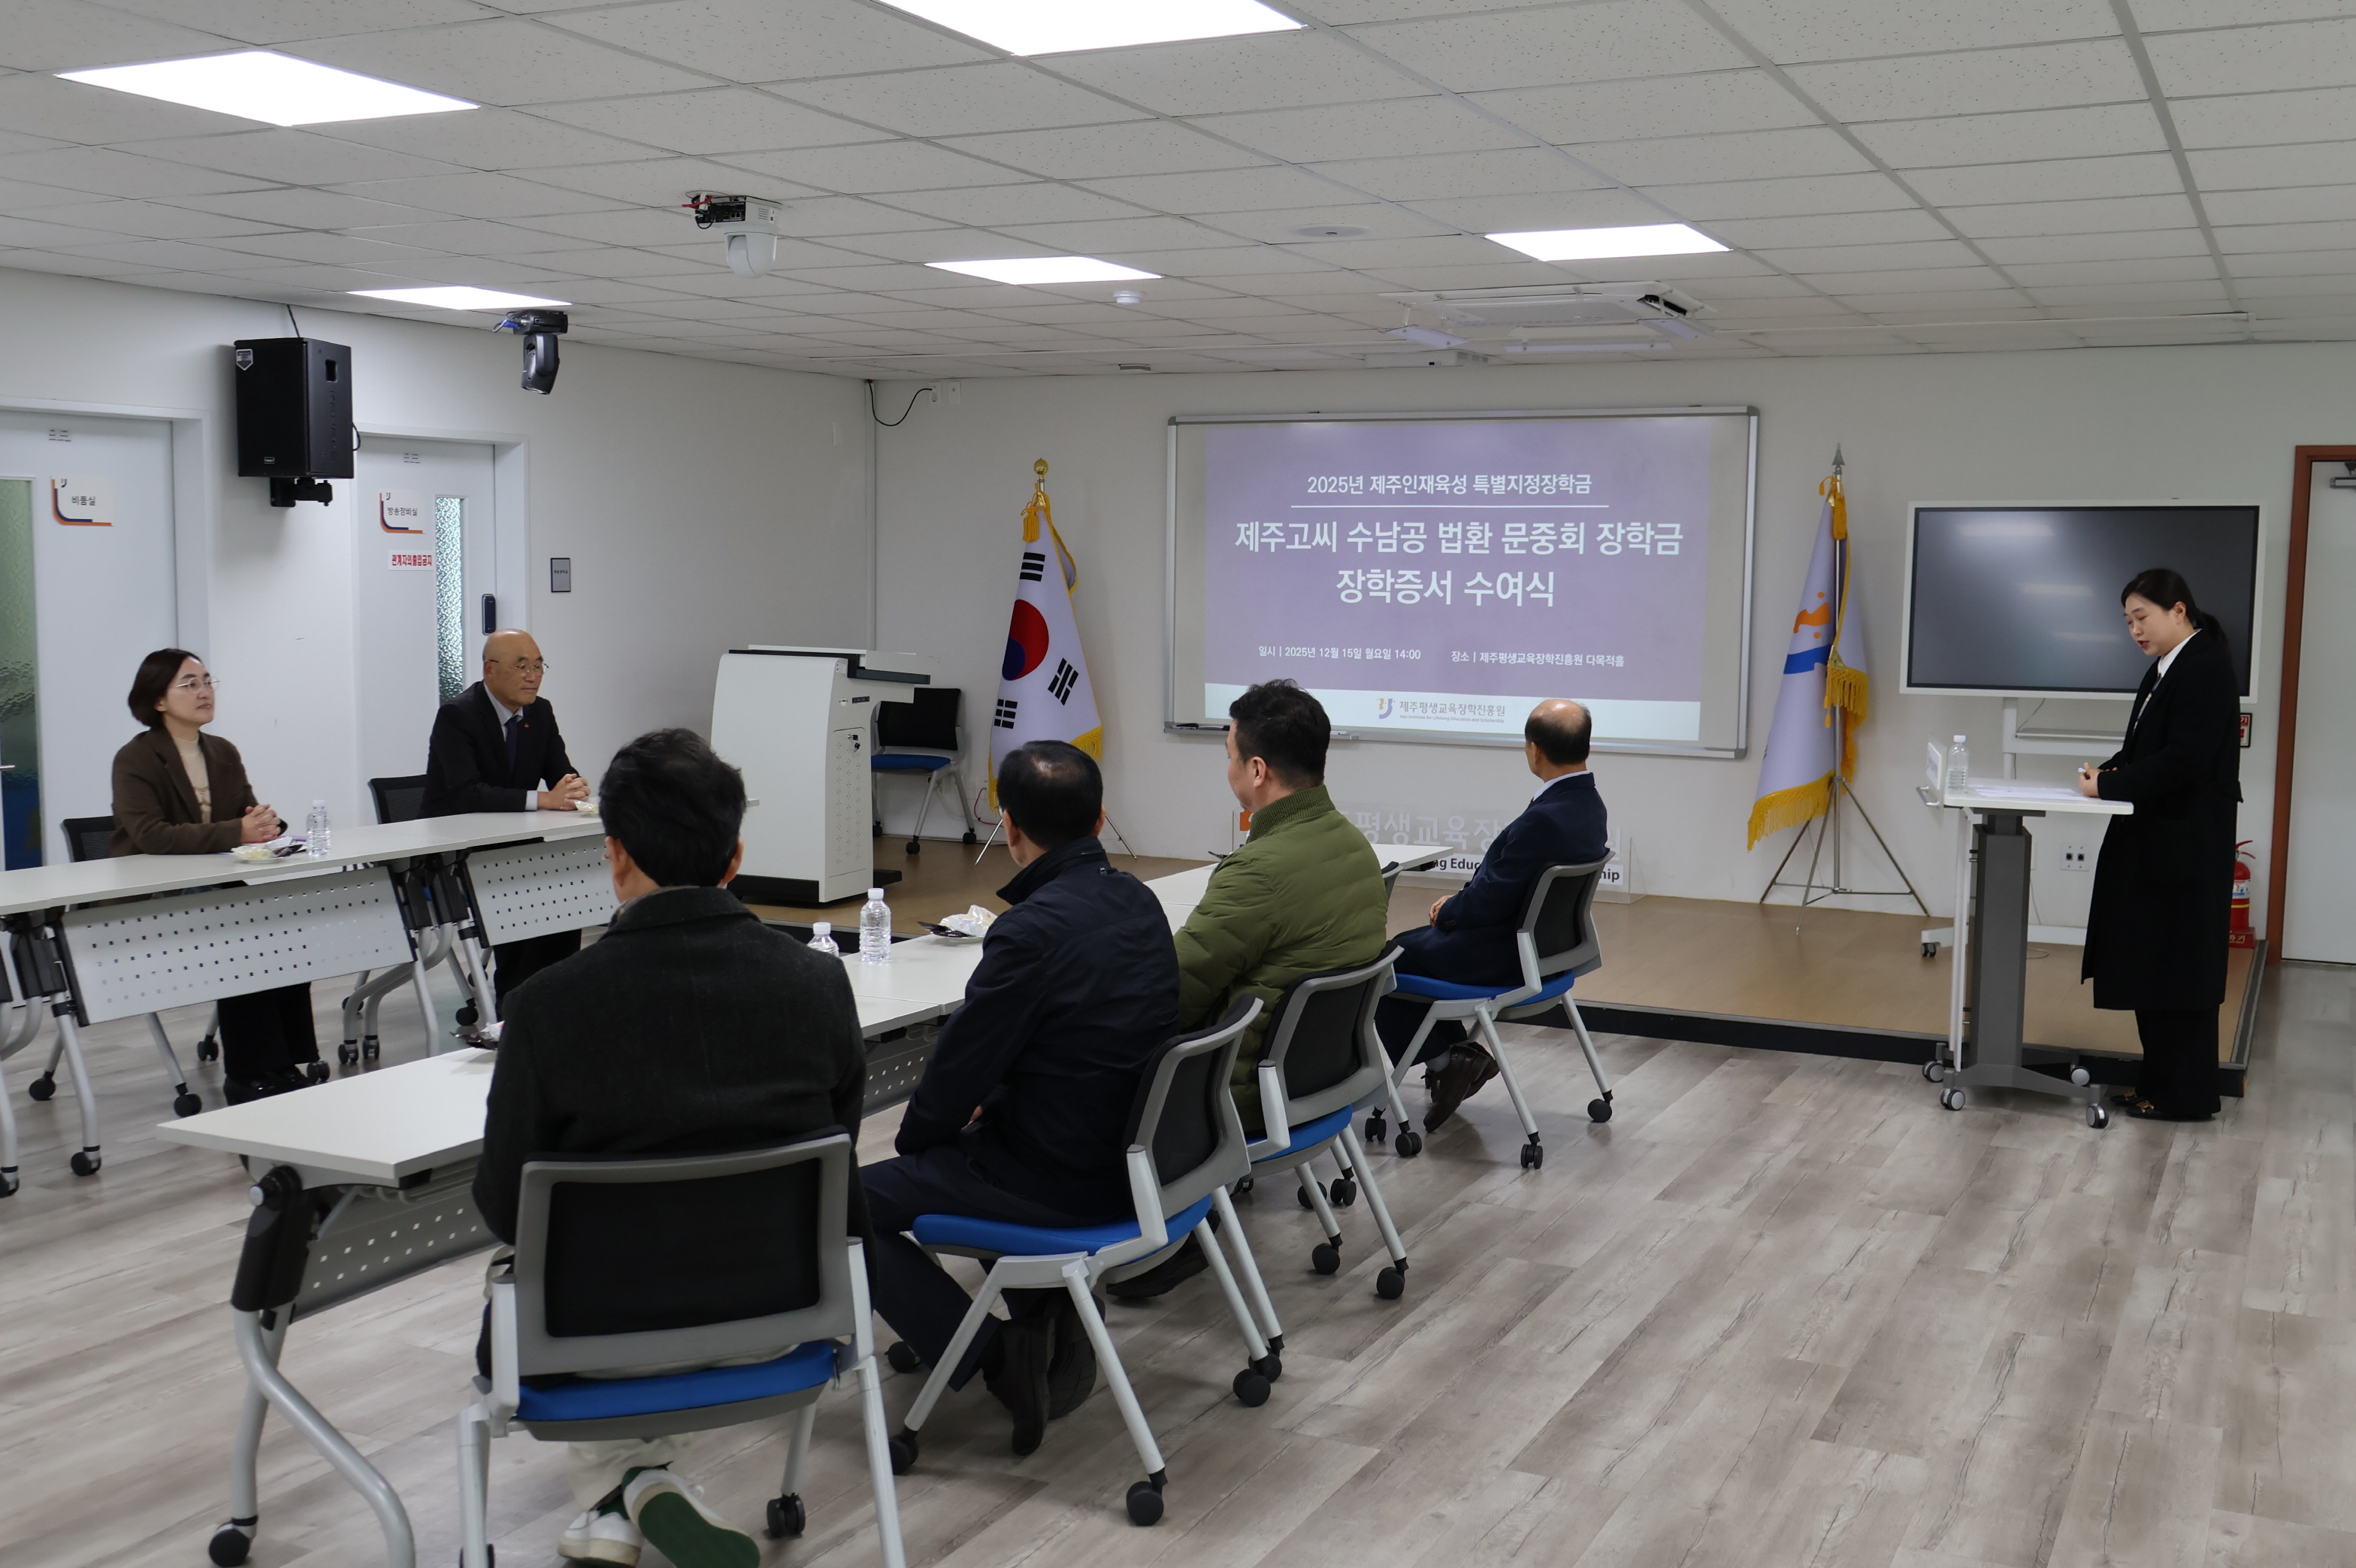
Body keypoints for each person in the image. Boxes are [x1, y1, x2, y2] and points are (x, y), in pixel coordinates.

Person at [473, 727, 867, 1568]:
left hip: (588, 1335)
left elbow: (505, 1208)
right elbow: (838, 1163)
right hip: (778, 1318)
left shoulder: (546, 1006)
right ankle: (637, 1491)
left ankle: (629, 1487)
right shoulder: (818, 983)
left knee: (536, 1281)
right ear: (736, 857)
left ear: (614, 854)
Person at [862, 741, 1177, 1456]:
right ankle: (1041, 1317)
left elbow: (953, 1078)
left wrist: (924, 1146)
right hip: (1136, 1163)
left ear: (1009, 827)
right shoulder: (1139, 899)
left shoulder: (1029, 932)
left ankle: (993, 1353)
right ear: (1099, 819)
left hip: (1058, 1181)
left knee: (836, 1206)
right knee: (965, 1145)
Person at [1117, 681, 1386, 1302]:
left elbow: (1171, 994)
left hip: (1237, 1092)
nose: (1229, 768)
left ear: (1257, 770)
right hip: (1318, 1079)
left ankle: (1163, 1234)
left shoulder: (1260, 870)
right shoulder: (1352, 844)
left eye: (1230, 755)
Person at [1377, 699, 1609, 1129]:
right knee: (1406, 952)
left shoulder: (1544, 819)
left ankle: (1447, 1062)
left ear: (1535, 750)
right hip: (1549, 952)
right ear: (1587, 747)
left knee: (1384, 962)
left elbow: (1490, 901)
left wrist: (1450, 910)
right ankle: (1460, 1058)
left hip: (1504, 956)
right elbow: (1510, 886)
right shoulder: (1589, 805)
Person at [109, 648, 319, 1104]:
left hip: (215, 886)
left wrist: (266, 824)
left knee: (286, 930)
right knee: (244, 935)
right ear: (158, 700)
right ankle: (247, 1072)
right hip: (157, 896)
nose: (204, 691)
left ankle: (285, 1062)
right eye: (189, 684)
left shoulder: (222, 752)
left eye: (207, 681)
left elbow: (245, 811)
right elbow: (151, 835)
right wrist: (236, 830)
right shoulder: (135, 758)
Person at [2076, 567, 2242, 1122]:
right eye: (2127, 621)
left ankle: (2184, 1097)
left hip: (2185, 845)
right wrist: (2110, 771)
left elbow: (2184, 760)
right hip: (2158, 841)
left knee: (2180, 971)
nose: (2134, 630)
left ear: (2178, 610)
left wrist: (2110, 786)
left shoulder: (2205, 667)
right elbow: (2145, 747)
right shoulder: (2166, 667)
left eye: (2141, 616)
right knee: (2154, 965)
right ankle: (2156, 1085)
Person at [423, 629, 591, 1003]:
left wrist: (574, 787)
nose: (532, 676)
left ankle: (556, 1000)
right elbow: (467, 793)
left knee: (567, 890)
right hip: (457, 849)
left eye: (538, 666)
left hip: (516, 843)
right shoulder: (457, 715)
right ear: (490, 670)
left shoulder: (540, 712)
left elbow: (560, 771)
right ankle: (515, 1005)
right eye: (521, 666)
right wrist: (545, 799)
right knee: (519, 890)